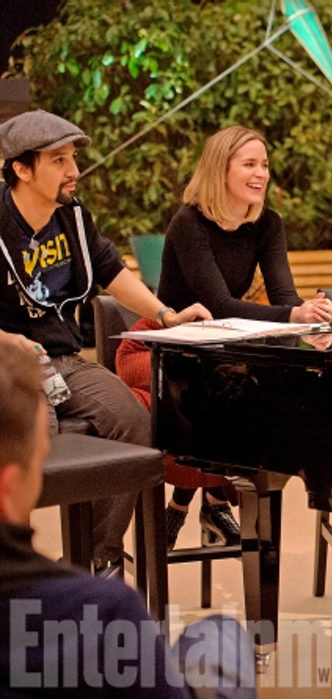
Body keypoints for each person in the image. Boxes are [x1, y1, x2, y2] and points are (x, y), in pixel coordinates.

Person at [0, 110, 210, 576]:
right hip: (8, 364)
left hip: (64, 360)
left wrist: (166, 315)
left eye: (73, 158)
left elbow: (112, 272)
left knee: (134, 423)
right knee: (39, 439)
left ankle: (99, 558)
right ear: (21, 168)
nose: (74, 170)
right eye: (58, 160)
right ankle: (17, 571)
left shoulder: (73, 217)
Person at [114, 125, 332, 552]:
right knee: (215, 392)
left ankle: (200, 503)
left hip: (218, 353)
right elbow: (218, 302)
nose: (261, 173)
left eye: (265, 165)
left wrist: (310, 315)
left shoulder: (268, 224)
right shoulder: (189, 222)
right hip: (157, 348)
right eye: (249, 164)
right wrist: (292, 315)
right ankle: (208, 502)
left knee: (252, 391)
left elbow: (285, 296)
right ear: (221, 169)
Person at [0, 343, 255, 698]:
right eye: (39, 461)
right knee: (219, 635)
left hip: (69, 358)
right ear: (9, 486)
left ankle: (106, 553)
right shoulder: (104, 609)